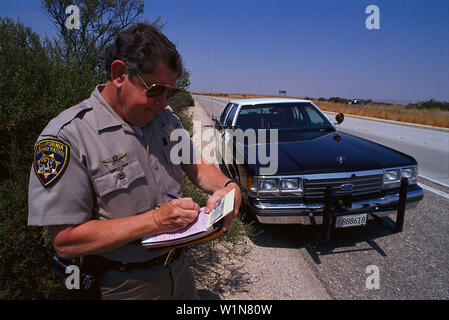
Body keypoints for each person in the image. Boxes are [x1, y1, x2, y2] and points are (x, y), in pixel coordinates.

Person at [28, 23, 241, 300]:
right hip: (120, 285)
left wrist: (230, 187)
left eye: (171, 93)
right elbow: (66, 241)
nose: (164, 103)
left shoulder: (164, 120)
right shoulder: (68, 137)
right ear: (119, 74)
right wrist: (155, 221)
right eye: (156, 90)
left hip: (178, 272)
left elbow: (197, 167)